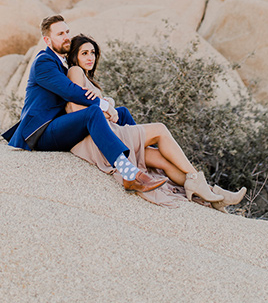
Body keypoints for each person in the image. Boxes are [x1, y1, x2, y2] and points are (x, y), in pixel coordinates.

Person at [65, 33, 247, 210]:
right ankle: (198, 181)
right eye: (84, 53)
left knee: (161, 159)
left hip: (108, 133)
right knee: (160, 130)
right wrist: (106, 111)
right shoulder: (75, 71)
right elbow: (77, 110)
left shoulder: (89, 79)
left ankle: (211, 194)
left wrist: (106, 108)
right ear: (74, 56)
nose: (91, 57)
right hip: (99, 139)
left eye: (93, 53)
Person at [2, 15, 167, 195]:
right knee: (94, 112)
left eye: (67, 32)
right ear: (47, 40)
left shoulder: (62, 64)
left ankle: (144, 161)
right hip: (41, 132)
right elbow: (70, 91)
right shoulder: (44, 62)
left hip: (59, 125)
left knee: (123, 113)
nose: (66, 37)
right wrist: (103, 104)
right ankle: (129, 174)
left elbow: (76, 92)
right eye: (60, 34)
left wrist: (107, 104)